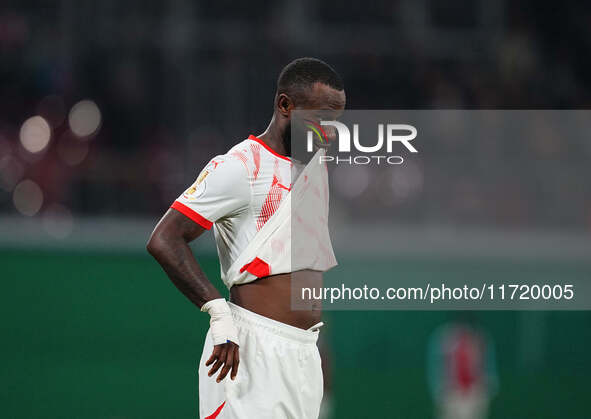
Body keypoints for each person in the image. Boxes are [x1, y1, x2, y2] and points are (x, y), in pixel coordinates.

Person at [147, 57, 345, 419]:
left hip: (303, 355)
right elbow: (165, 238)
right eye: (320, 117)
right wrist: (216, 310)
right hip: (252, 350)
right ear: (285, 105)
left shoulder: (316, 166)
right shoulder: (241, 165)